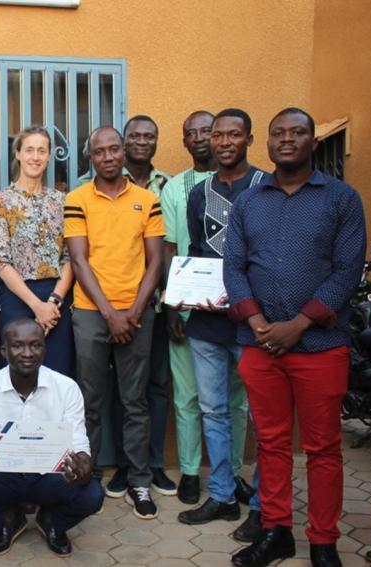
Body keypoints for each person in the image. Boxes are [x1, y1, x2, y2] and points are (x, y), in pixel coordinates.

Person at [226, 108, 365, 567]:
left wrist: (299, 324)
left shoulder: (342, 199)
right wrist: (256, 322)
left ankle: (323, 541)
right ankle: (276, 531)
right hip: (260, 345)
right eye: (279, 133)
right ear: (266, 143)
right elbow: (234, 267)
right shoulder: (248, 201)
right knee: (270, 444)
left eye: (298, 133)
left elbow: (347, 272)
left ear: (312, 142)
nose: (287, 140)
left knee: (323, 448)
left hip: (320, 347)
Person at [64, 126, 164, 519]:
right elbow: (78, 260)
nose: (108, 157)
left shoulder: (147, 199)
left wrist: (134, 313)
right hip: (92, 313)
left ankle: (139, 481)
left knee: (135, 401)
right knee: (90, 400)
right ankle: (89, 479)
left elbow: (155, 260)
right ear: (90, 157)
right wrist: (110, 315)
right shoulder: (77, 198)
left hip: (137, 312)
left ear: (124, 152)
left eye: (114, 149)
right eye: (99, 151)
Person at [0, 318, 103, 558]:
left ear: (44, 349)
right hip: (3, 477)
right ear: (4, 351)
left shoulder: (66, 388)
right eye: (18, 346)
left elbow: (79, 441)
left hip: (49, 477)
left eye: (35, 345)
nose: (27, 353)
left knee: (92, 494)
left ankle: (52, 522)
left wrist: (83, 464)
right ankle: (7, 521)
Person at [176, 108, 264, 528]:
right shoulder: (199, 193)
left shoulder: (267, 187)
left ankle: (266, 503)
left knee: (262, 413)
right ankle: (224, 495)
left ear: (249, 138)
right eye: (217, 135)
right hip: (208, 322)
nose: (224, 142)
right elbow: (196, 252)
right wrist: (184, 295)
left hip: (258, 324)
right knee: (213, 410)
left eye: (234, 135)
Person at [107, 115, 176, 498]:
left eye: (149, 136)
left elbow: (170, 246)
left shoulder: (168, 186)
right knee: (121, 388)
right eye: (133, 135)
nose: (141, 142)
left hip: (160, 307)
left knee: (155, 386)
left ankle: (152, 466)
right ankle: (123, 466)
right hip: (117, 309)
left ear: (157, 140)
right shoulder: (93, 185)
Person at [159, 110, 218, 504]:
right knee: (187, 395)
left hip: (235, 308)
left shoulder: (253, 185)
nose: (199, 137)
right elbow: (168, 249)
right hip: (184, 306)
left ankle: (227, 474)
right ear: (183, 142)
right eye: (190, 133)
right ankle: (192, 472)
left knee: (233, 398)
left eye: (207, 131)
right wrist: (170, 306)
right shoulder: (174, 188)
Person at [0, 126, 74, 375]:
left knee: (57, 370)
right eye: (29, 150)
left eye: (41, 151)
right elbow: (1, 260)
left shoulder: (62, 201)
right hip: (17, 297)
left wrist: (53, 302)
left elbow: (69, 256)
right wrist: (37, 306)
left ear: (49, 156)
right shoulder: (1, 200)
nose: (35, 157)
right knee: (17, 371)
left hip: (56, 297)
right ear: (17, 154)